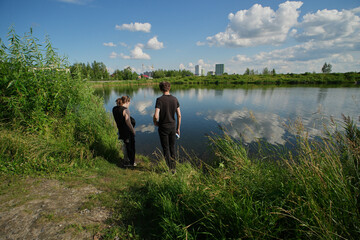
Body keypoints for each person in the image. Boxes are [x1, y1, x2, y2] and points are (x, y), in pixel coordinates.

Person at [153, 82, 181, 171]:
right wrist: (178, 128)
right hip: (173, 126)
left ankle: (169, 169)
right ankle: (174, 168)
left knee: (166, 148)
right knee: (172, 147)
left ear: (161, 89)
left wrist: (155, 122)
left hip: (163, 127)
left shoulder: (159, 100)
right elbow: (179, 115)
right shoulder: (175, 99)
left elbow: (156, 115)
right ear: (169, 88)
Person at [113, 96, 136, 167]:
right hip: (127, 131)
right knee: (131, 147)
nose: (129, 104)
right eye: (129, 103)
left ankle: (126, 160)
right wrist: (133, 131)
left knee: (125, 146)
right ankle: (131, 163)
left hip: (120, 130)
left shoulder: (114, 109)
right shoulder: (125, 110)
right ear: (127, 102)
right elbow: (128, 122)